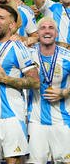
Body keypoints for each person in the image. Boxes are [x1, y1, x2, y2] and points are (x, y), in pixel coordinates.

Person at [0, 4, 40, 164]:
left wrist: (6, 79)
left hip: (12, 116)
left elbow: (35, 82)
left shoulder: (18, 47)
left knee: (13, 161)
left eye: (1, 17)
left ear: (12, 25)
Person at [27, 17, 70, 163]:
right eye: (43, 28)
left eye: (51, 28)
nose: (47, 31)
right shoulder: (28, 54)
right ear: (37, 33)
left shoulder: (67, 56)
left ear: (56, 33)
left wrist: (65, 92)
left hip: (63, 121)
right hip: (35, 121)